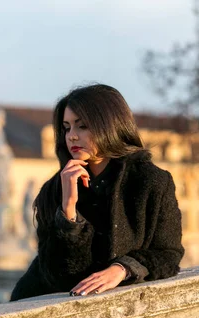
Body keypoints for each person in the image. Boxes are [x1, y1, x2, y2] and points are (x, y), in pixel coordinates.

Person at [10, 84, 184, 301]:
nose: (72, 136)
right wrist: (68, 213)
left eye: (82, 126)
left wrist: (122, 269)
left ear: (109, 126)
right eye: (66, 128)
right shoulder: (55, 189)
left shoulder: (150, 181)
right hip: (45, 311)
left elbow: (168, 254)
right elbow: (57, 277)